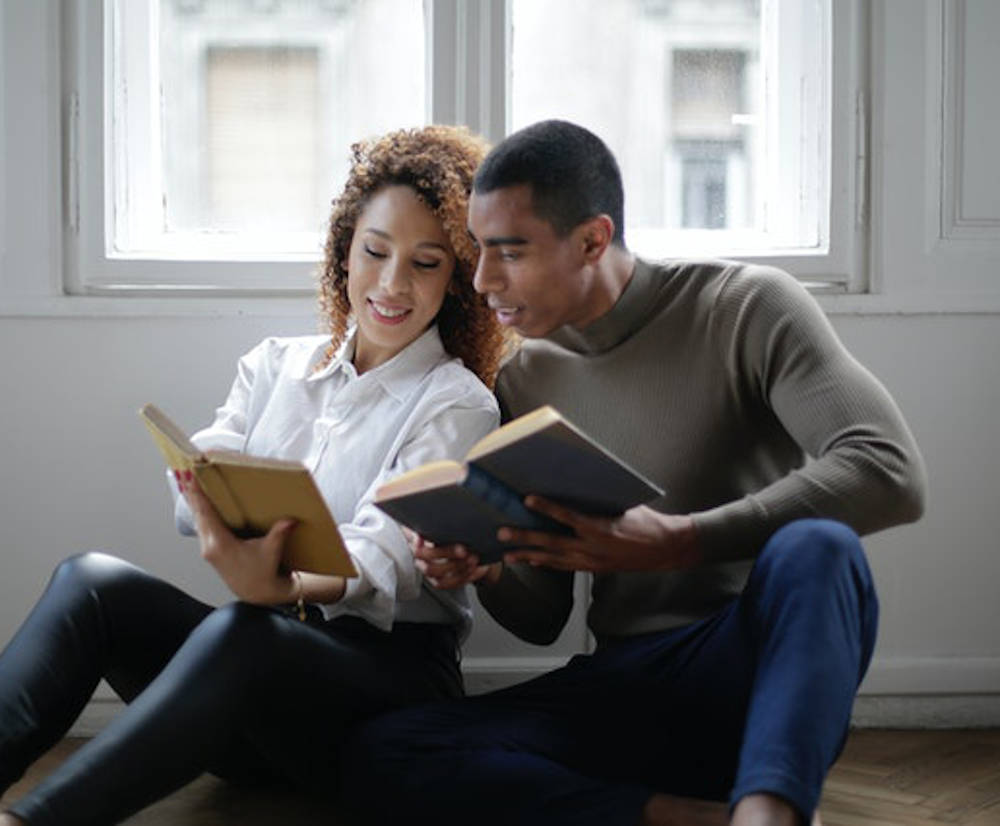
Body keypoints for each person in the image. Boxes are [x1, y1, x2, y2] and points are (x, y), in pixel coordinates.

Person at [347, 120, 928, 826]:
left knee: (820, 549)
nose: (482, 280)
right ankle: (686, 817)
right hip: (623, 685)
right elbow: (543, 618)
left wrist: (683, 540)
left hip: (750, 672)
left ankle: (770, 813)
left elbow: (889, 470)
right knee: (388, 749)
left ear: (593, 239)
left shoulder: (746, 307)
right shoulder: (525, 378)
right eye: (478, 252)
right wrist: (487, 565)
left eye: (510, 252)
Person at [0, 125, 506, 825]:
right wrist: (206, 497)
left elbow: (389, 553)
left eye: (426, 263)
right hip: (251, 687)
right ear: (343, 251)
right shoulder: (274, 364)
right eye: (375, 251)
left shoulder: (458, 401)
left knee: (247, 628)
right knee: (93, 581)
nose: (392, 284)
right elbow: (200, 479)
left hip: (383, 690)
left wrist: (288, 584)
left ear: (454, 279)